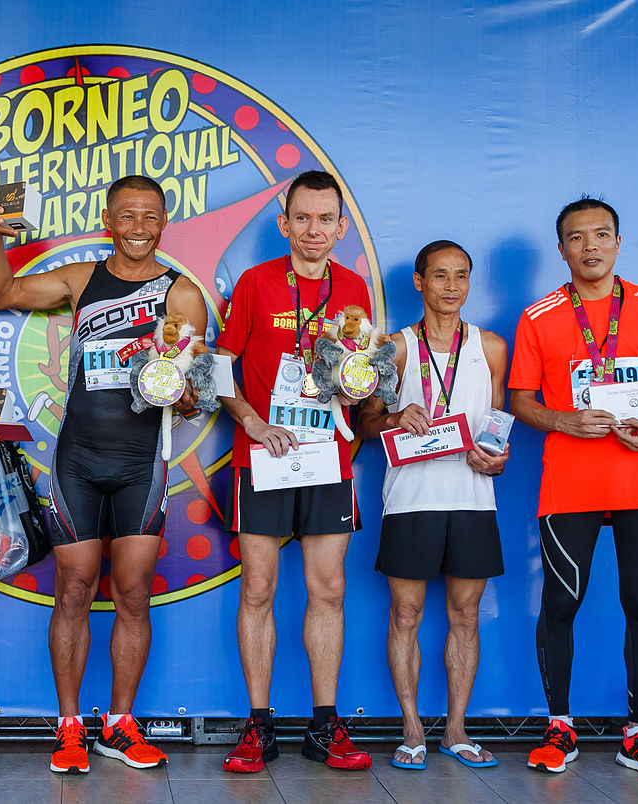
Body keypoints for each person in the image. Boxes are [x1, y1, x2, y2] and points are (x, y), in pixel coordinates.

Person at [0, 175, 207, 773]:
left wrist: (182, 393)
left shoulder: (182, 294)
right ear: (109, 219)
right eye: (126, 216)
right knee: (75, 589)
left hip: (141, 464)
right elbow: (1, 293)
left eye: (149, 216)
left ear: (165, 221)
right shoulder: (82, 280)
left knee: (133, 594)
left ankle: (121, 724)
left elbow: (196, 390)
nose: (138, 227)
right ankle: (70, 726)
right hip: (77, 459)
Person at [510, 197, 638, 782]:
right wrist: (563, 421)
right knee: (561, 604)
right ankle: (558, 726)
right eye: (576, 237)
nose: (590, 246)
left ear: (618, 242)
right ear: (561, 248)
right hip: (572, 482)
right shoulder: (539, 317)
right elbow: (520, 400)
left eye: (601, 235)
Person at [217, 169, 372, 773]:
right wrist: (252, 422)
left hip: (328, 457)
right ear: (284, 224)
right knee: (258, 589)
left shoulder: (354, 287)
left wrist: (362, 382)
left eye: (325, 219)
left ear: (340, 227)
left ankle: (324, 725)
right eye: (301, 218)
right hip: (265, 454)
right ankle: (259, 727)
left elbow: (362, 377)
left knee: (327, 589)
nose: (313, 230)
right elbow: (219, 368)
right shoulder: (255, 284)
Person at [355, 240, 508, 770]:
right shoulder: (393, 349)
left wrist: (498, 459)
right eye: (440, 275)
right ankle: (413, 729)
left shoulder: (490, 347)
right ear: (418, 282)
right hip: (410, 500)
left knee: (466, 614)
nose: (451, 286)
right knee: (406, 613)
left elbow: (497, 428)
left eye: (461, 276)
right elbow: (365, 423)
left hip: (472, 500)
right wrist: (395, 419)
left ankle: (458, 732)